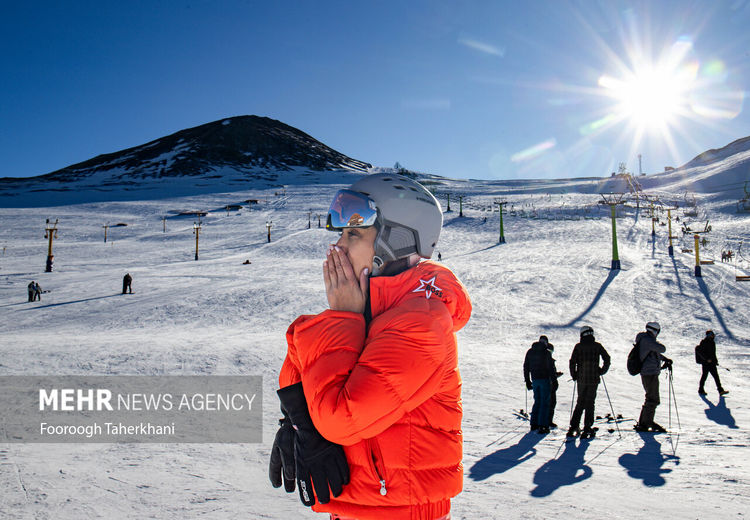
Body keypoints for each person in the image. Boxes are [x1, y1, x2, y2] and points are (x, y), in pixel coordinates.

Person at [269, 173, 472, 520]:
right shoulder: (364, 312)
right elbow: (295, 371)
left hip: (401, 513)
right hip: (356, 507)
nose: (338, 247)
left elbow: (340, 420)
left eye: (353, 233)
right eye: (341, 233)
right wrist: (301, 422)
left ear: (396, 239)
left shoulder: (423, 324)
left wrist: (339, 318)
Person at [567, 325, 611, 438]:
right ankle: (587, 427)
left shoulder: (578, 346)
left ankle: (574, 426)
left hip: (581, 379)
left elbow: (572, 362)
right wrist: (602, 371)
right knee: (590, 403)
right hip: (593, 379)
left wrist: (574, 375)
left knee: (580, 402)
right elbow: (607, 358)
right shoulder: (597, 346)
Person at [634, 322, 672, 433]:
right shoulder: (647, 340)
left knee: (650, 398)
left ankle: (644, 422)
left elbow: (655, 353)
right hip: (649, 373)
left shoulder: (646, 340)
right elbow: (661, 348)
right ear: (655, 330)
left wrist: (665, 359)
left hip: (649, 372)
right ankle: (647, 423)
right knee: (653, 399)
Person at [524, 335, 555, 434]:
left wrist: (527, 381)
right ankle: (543, 426)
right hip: (544, 379)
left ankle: (534, 424)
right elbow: (550, 368)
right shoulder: (546, 353)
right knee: (544, 402)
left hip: (535, 379)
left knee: (537, 401)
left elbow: (526, 366)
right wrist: (554, 381)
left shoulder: (530, 351)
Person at [697, 330, 728, 396]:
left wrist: (715, 361)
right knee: (704, 376)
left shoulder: (712, 342)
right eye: (711, 334)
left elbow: (713, 354)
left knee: (716, 377)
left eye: (713, 334)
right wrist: (706, 359)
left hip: (712, 363)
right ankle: (701, 390)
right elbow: (700, 352)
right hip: (706, 363)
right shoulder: (704, 342)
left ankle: (720, 390)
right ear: (708, 335)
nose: (713, 335)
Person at [548, 342, 563, 429]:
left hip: (549, 384)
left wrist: (556, 374)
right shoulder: (548, 360)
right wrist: (555, 376)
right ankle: (548, 421)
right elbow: (550, 373)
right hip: (550, 385)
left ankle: (545, 421)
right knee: (551, 403)